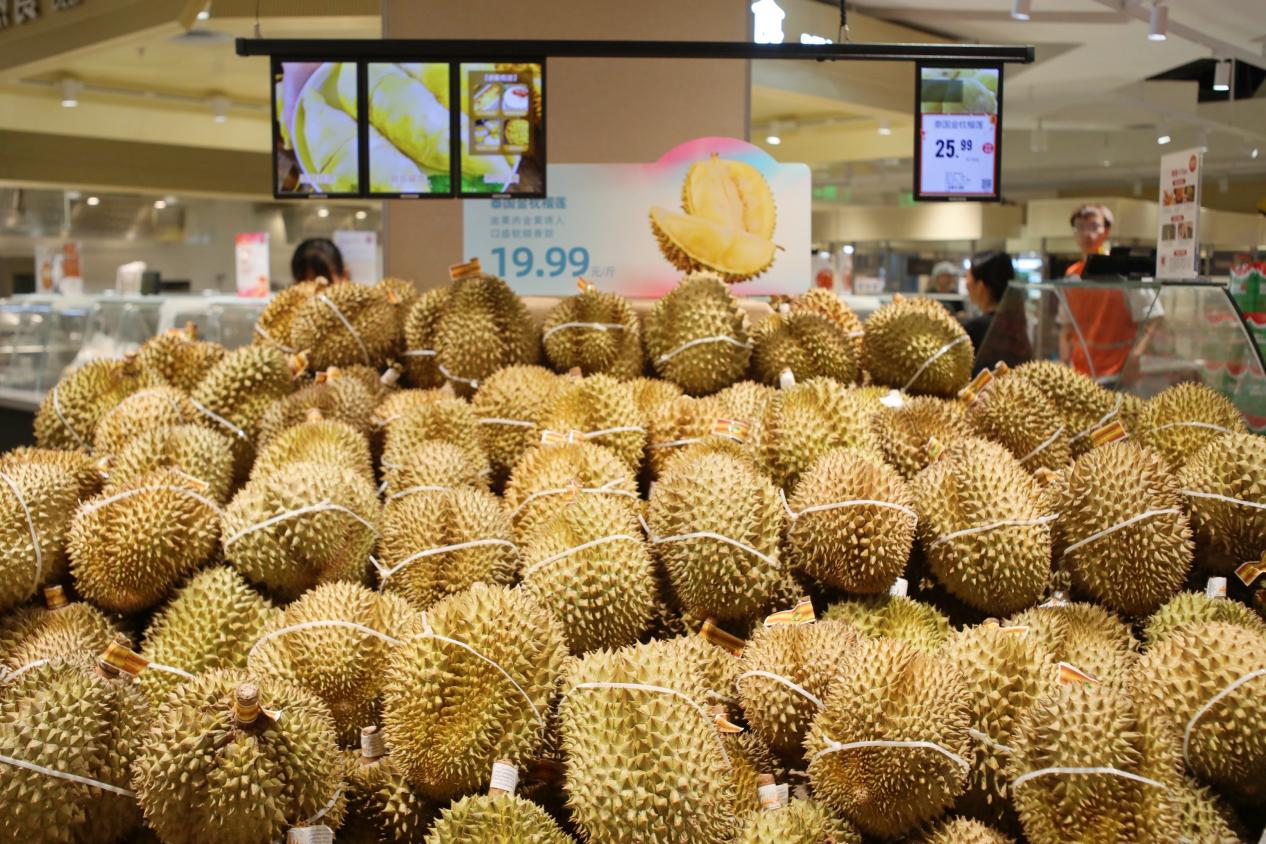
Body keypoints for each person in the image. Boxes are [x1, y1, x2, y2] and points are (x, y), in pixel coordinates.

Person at [1058, 203, 1162, 382]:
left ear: (1106, 231)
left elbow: (1154, 318)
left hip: (1117, 373)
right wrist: (1064, 360)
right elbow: (1066, 326)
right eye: (1080, 227)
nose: (1087, 234)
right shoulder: (1071, 275)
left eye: (1094, 226)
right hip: (1080, 373)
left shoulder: (1122, 269)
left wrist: (1135, 356)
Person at [961, 251, 1031, 373]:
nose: (966, 284)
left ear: (981, 286)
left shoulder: (975, 328)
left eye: (967, 277)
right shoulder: (1017, 322)